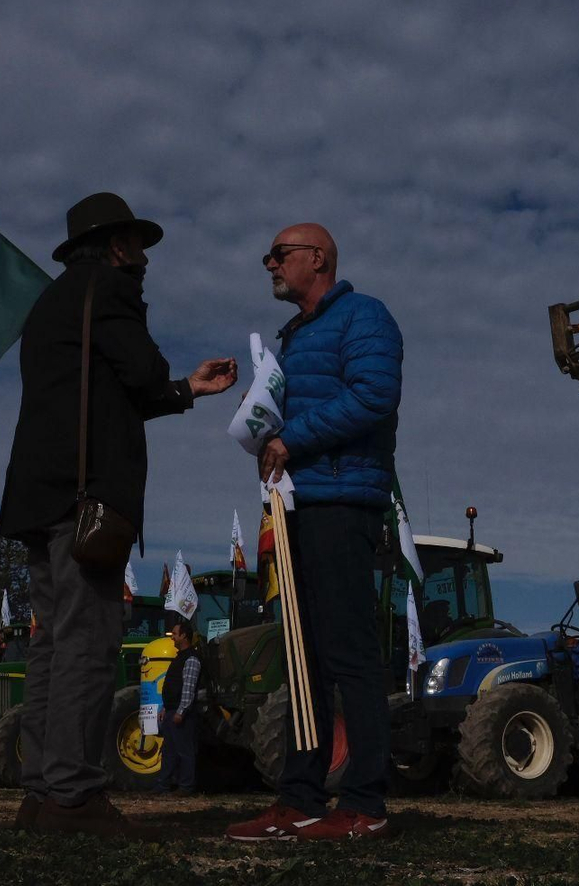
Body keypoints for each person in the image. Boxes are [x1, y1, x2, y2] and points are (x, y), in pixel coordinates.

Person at [0, 192, 237, 836]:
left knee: (51, 645)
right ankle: (73, 796)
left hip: (39, 496)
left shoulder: (51, 301)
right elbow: (142, 373)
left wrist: (190, 388)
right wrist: (175, 381)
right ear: (117, 246)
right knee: (89, 646)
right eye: (138, 244)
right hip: (86, 499)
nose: (145, 258)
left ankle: (42, 791)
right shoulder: (111, 290)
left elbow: (111, 389)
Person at [227, 223, 403, 843]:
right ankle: (300, 798)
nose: (268, 263)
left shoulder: (363, 317)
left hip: (342, 502)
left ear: (317, 258)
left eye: (278, 254)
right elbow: (298, 409)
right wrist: (258, 418)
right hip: (297, 504)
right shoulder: (293, 335)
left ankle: (364, 804)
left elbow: (374, 393)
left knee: (349, 653)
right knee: (306, 658)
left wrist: (290, 439)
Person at [154, 619, 200, 796]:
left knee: (185, 751)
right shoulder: (179, 657)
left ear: (184, 636)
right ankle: (162, 785)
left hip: (182, 714)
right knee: (169, 751)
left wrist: (181, 711)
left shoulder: (191, 659)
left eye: (174, 634)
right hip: (171, 710)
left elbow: (188, 688)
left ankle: (186, 787)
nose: (172, 637)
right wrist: (166, 708)